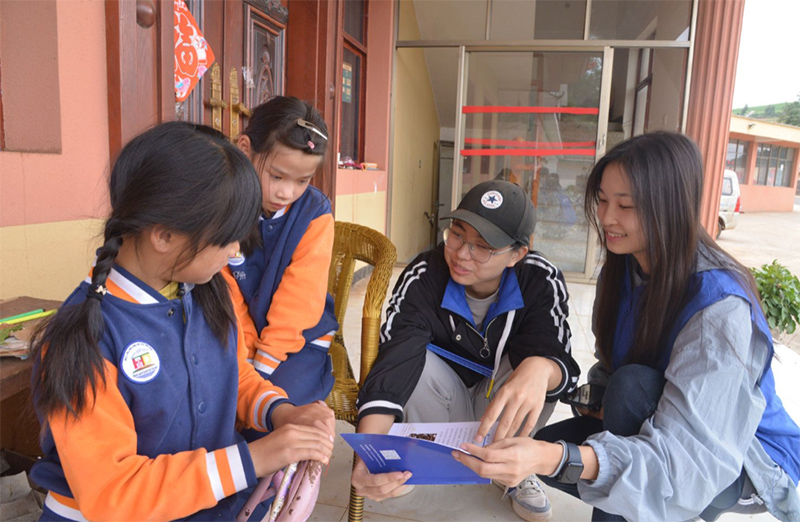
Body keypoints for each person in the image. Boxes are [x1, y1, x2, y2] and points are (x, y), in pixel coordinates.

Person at [453, 132, 800, 522]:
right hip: (662, 422)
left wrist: (559, 458)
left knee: (619, 399)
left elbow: (686, 463)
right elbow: (611, 364)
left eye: (626, 205)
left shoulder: (719, 308)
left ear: (671, 207)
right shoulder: (622, 270)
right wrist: (588, 400)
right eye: (602, 200)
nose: (606, 218)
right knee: (551, 441)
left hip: (741, 459)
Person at [30, 122, 335, 521]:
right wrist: (252, 458)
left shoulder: (204, 290)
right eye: (226, 238)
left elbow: (232, 374)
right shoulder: (85, 337)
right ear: (165, 235)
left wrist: (280, 411)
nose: (235, 250)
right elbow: (113, 492)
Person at [352, 180, 580, 521]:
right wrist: (370, 455)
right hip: (445, 404)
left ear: (517, 254)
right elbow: (394, 361)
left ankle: (516, 468)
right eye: (457, 235)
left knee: (539, 366)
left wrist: (541, 368)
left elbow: (560, 358)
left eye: (482, 246)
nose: (461, 254)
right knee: (413, 357)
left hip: (500, 408)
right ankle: (418, 461)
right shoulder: (426, 274)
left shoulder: (539, 279)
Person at [226, 96, 338, 419]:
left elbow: (299, 304)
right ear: (246, 149)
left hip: (298, 340)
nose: (287, 193)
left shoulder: (315, 215)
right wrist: (246, 357)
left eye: (302, 181)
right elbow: (227, 294)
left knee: (277, 410)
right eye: (277, 176)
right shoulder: (224, 207)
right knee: (227, 407)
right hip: (239, 336)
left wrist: (260, 370)